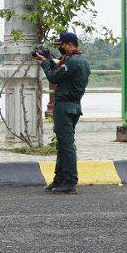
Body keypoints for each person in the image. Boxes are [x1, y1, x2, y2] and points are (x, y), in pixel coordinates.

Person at [37, 32, 91, 195]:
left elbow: (53, 78)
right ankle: (59, 179)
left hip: (65, 106)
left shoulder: (72, 62)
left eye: (61, 45)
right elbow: (64, 75)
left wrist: (45, 63)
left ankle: (69, 182)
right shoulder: (81, 61)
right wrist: (49, 61)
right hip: (74, 106)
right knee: (62, 144)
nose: (60, 48)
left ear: (68, 44)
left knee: (66, 146)